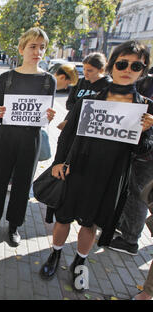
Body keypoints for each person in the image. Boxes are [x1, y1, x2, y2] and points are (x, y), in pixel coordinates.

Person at [39, 40, 153, 292]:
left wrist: (146, 131)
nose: (128, 69)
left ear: (142, 71)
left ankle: (80, 261)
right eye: (122, 63)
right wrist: (58, 162)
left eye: (136, 66)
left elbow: (142, 151)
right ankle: (55, 254)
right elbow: (67, 135)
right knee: (63, 217)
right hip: (77, 169)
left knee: (89, 223)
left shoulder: (144, 108)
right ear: (112, 66)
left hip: (109, 177)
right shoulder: (91, 99)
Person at [0, 27, 56, 247]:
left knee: (23, 184)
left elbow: (45, 114)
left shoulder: (48, 81)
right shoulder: (7, 78)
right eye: (33, 46)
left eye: (42, 47)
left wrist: (49, 117)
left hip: (31, 138)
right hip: (6, 136)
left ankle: (14, 226)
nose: (38, 51)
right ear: (22, 48)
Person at [109, 69, 153, 255]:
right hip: (137, 151)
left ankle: (130, 239)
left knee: (138, 194)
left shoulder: (146, 90)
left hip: (147, 155)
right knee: (131, 190)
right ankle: (123, 226)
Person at [58, 53, 112, 130]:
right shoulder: (79, 82)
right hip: (73, 125)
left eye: (89, 70)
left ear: (101, 70)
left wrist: (78, 109)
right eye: (84, 69)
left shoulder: (108, 85)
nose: (85, 73)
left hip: (92, 127)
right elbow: (69, 104)